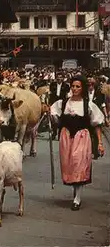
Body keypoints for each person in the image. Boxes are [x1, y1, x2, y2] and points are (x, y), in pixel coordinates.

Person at [50, 76, 105, 211]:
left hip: (82, 136)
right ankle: (76, 190)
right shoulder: (62, 103)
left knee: (79, 164)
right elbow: (55, 119)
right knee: (70, 165)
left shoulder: (88, 105)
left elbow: (97, 124)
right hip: (66, 136)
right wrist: (50, 116)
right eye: (73, 86)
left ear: (83, 88)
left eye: (78, 86)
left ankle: (77, 198)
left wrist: (100, 143)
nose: (75, 89)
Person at [49, 72, 70, 140]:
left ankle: (59, 135)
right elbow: (50, 94)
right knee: (54, 120)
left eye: (60, 77)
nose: (59, 78)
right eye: (58, 77)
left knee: (61, 120)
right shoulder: (52, 85)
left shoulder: (66, 85)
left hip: (62, 103)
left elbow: (67, 96)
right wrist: (49, 103)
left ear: (63, 78)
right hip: (54, 103)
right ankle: (54, 132)